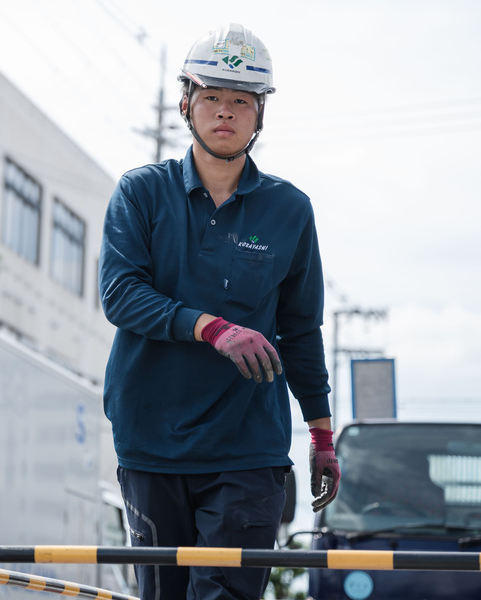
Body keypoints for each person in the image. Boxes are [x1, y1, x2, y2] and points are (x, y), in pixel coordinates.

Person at [98, 23, 340, 600]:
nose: (224, 112)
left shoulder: (290, 210)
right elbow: (120, 294)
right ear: (186, 104)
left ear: (260, 115)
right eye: (211, 96)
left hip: (246, 446)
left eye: (241, 100)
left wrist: (322, 434)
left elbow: (302, 329)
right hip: (150, 439)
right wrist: (213, 328)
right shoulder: (141, 193)